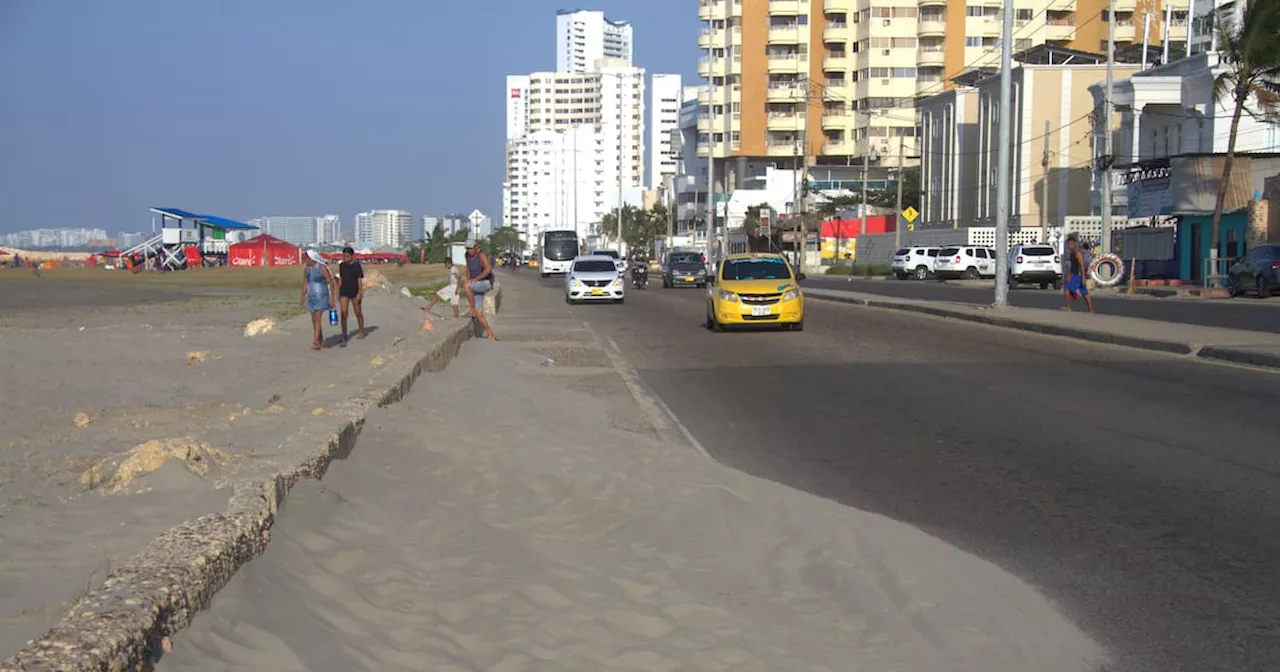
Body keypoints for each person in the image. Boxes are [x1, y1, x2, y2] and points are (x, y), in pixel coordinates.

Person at [301, 249, 338, 350]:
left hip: (321, 295)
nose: (305, 260)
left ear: (311, 258)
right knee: (314, 320)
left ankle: (315, 342)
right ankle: (321, 341)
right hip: (311, 295)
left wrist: (332, 298)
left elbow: (330, 282)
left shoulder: (322, 268)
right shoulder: (307, 269)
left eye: (306, 258)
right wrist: (303, 296)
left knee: (317, 318)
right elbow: (305, 282)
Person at [463, 238, 499, 341]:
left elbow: (488, 270)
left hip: (485, 283)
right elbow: (468, 268)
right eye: (467, 249)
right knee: (479, 314)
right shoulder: (467, 256)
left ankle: (471, 309)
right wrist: (469, 279)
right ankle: (490, 334)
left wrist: (474, 280)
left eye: (471, 248)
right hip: (476, 284)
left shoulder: (481, 255)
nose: (469, 251)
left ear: (475, 247)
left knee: (467, 286)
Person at [422, 256, 462, 328]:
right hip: (454, 287)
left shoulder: (453, 269)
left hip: (453, 287)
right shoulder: (455, 268)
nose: (446, 266)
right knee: (454, 303)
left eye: (446, 265)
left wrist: (457, 288)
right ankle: (457, 316)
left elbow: (458, 278)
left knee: (438, 294)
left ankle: (428, 308)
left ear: (448, 263)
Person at [337, 246, 366, 344]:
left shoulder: (356, 266)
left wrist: (360, 292)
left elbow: (359, 280)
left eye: (347, 256)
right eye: (344, 256)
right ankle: (344, 335)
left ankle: (361, 330)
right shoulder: (342, 265)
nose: (345, 258)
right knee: (343, 313)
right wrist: (338, 292)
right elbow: (341, 279)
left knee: (358, 312)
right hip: (344, 291)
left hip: (354, 291)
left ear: (352, 256)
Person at [1063, 237, 1094, 313]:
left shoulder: (1078, 253)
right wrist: (1069, 275)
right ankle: (1090, 309)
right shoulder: (1072, 253)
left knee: (1067, 288)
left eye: (1070, 244)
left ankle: (1068, 307)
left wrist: (1083, 277)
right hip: (1076, 274)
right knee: (1084, 292)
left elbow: (1082, 265)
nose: (1069, 246)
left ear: (1074, 244)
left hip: (1079, 275)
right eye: (1068, 244)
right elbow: (1073, 266)